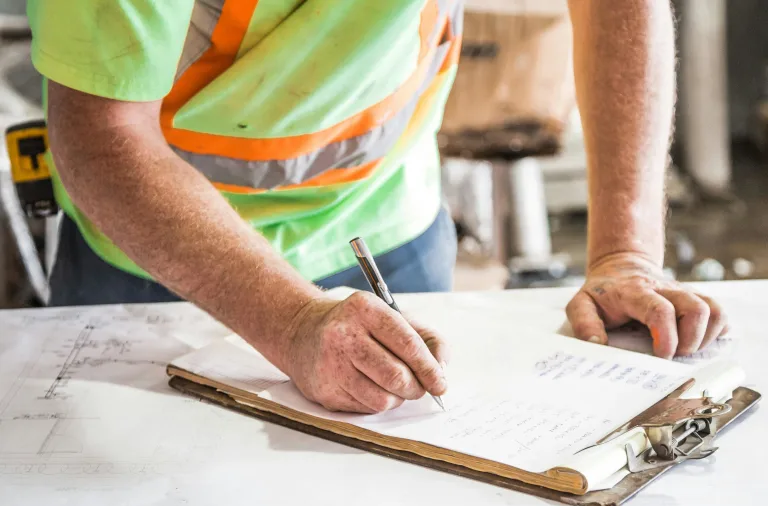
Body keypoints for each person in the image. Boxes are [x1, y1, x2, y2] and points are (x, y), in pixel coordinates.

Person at [27, 0, 726, 414]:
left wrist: (626, 253)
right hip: (161, 261)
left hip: (389, 223)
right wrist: (293, 320)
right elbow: (100, 134)